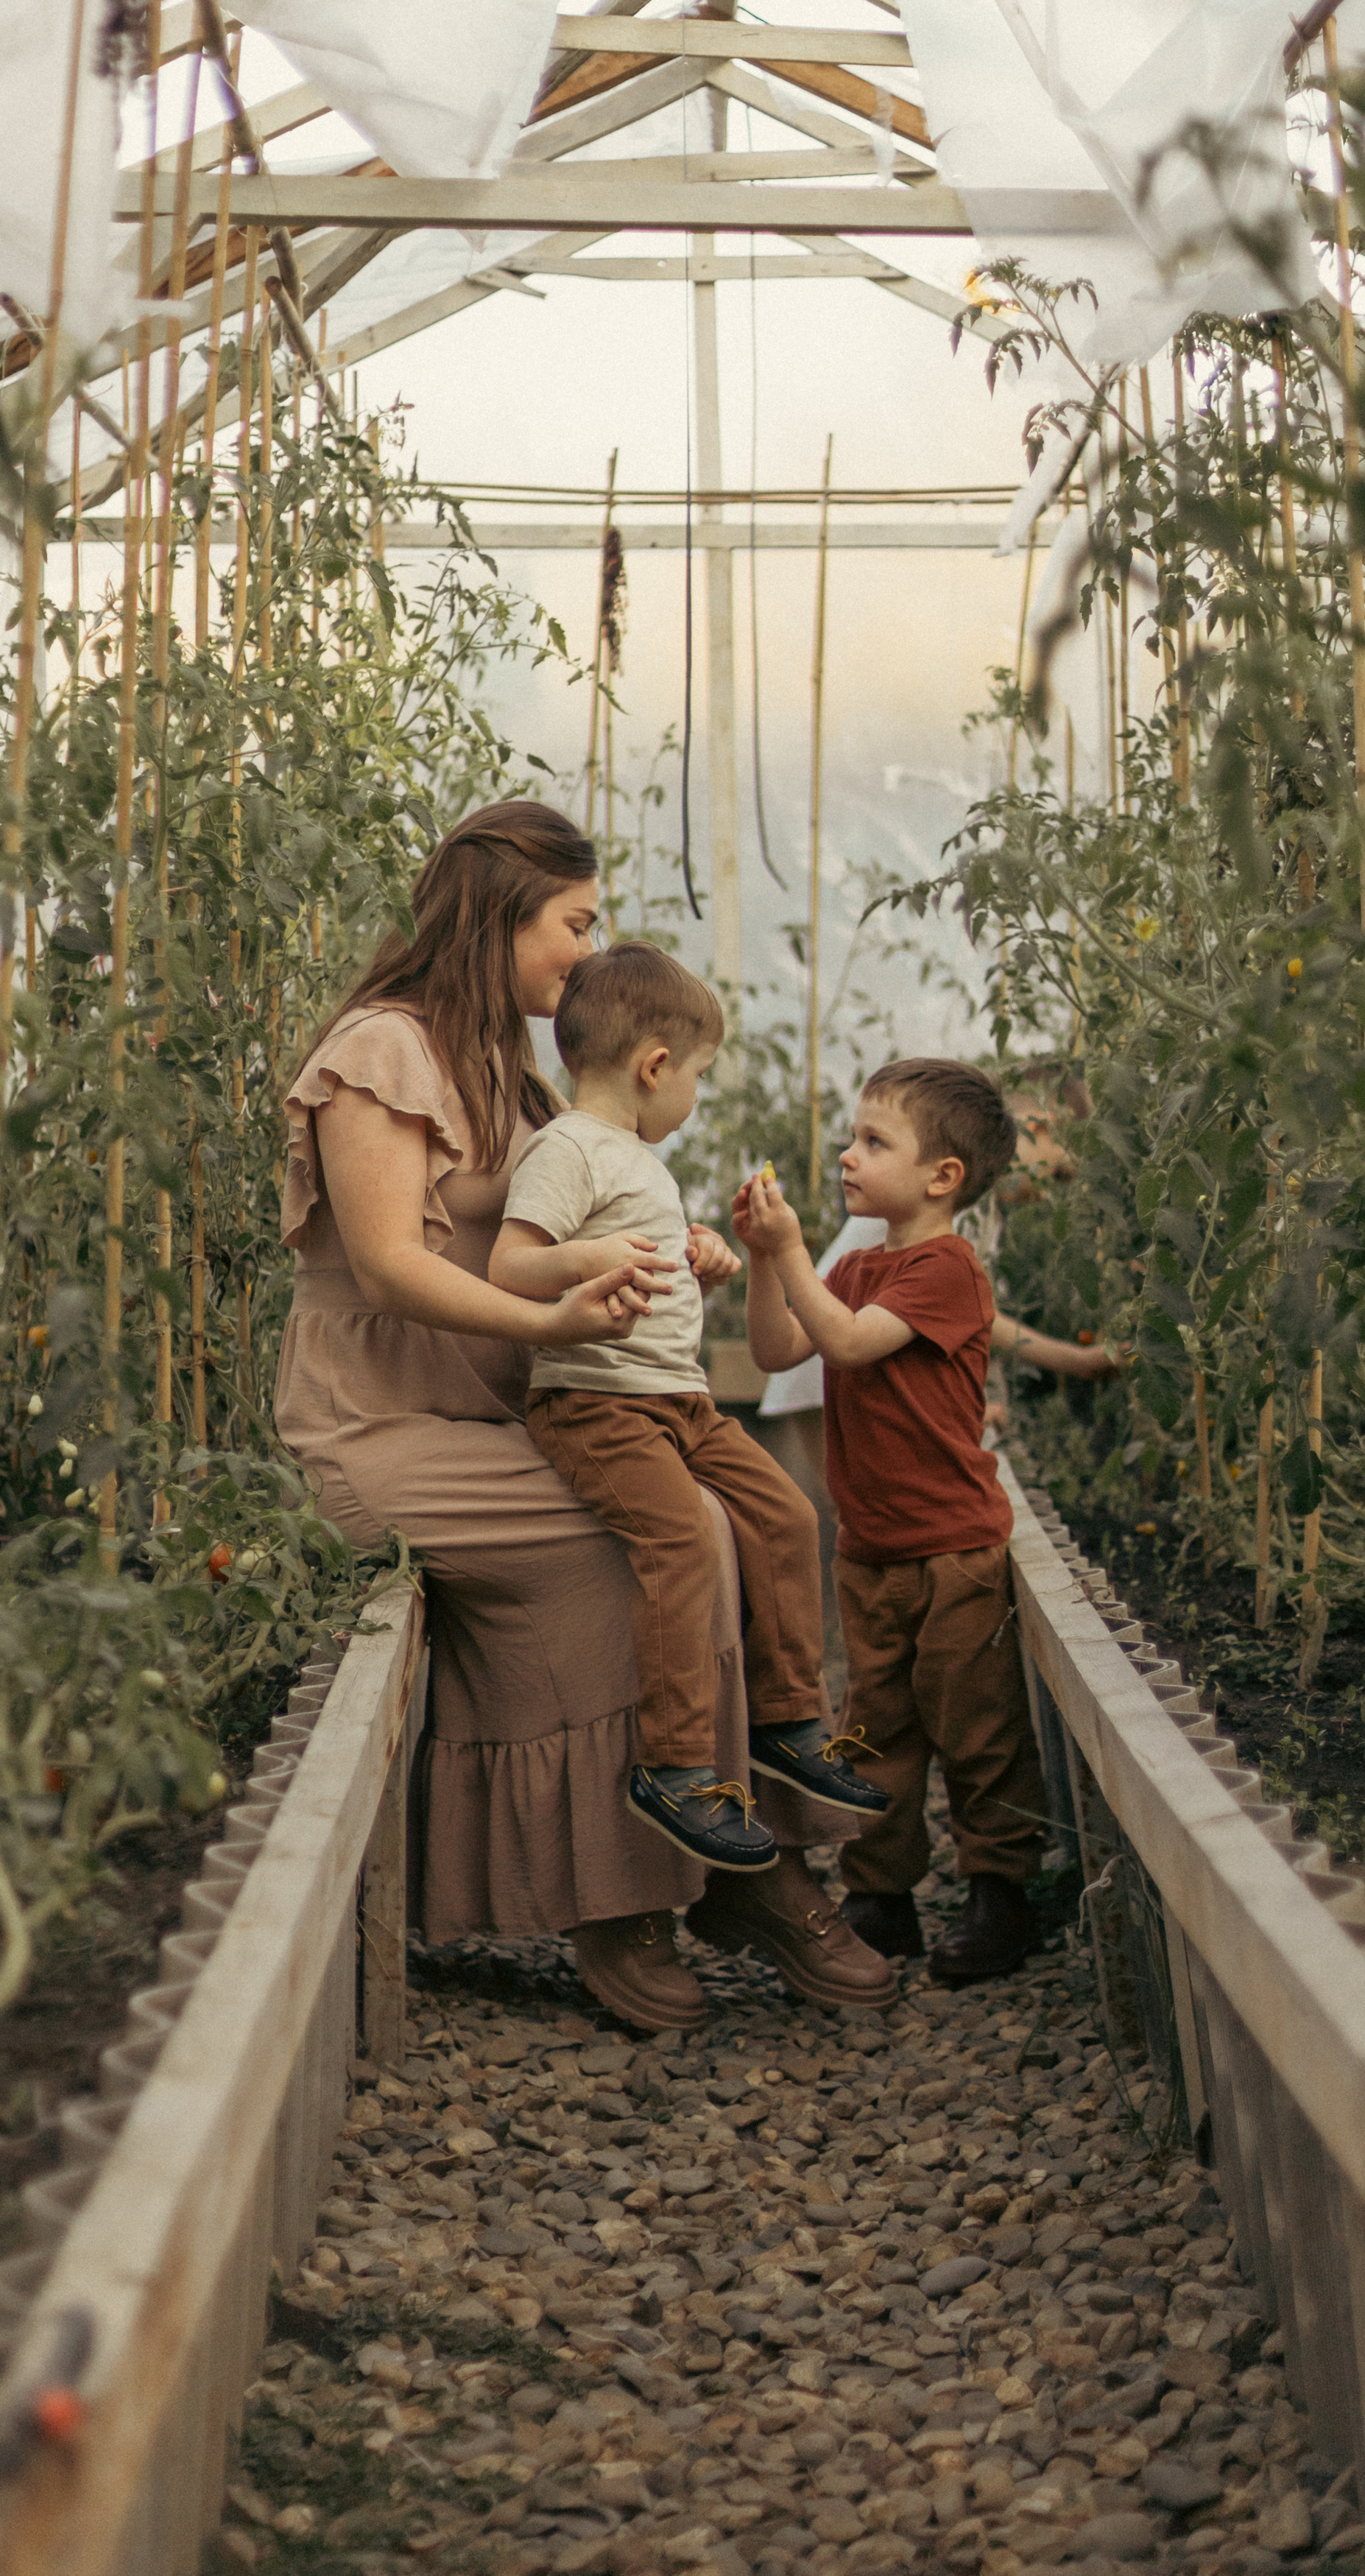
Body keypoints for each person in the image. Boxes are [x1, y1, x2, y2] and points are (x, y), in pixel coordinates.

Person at [273, 800, 878, 2035]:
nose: (586, 950)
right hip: (378, 1425)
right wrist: (555, 1327)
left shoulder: (518, 1073)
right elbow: (390, 1265)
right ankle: (646, 1895)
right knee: (673, 1540)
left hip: (501, 1418)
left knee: (709, 1517)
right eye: (573, 923)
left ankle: (728, 1852)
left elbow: (588, 1229)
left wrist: (682, 1256)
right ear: (498, 922)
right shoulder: (383, 1051)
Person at [490, 941, 893, 1912]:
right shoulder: (568, 1148)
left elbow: (645, 1252)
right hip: (598, 1405)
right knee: (682, 1544)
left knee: (788, 1517)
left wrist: (701, 1254)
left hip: (679, 1401)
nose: (698, 1098)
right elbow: (511, 1266)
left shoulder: (634, 1159)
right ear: (654, 1068)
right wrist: (596, 1257)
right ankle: (672, 1769)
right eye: (701, 1076)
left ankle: (787, 1718)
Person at [736, 1058, 1121, 1985]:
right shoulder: (859, 1260)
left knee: (977, 1729)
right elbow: (777, 1345)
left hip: (954, 1552)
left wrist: (791, 1254)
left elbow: (850, 1342)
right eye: (852, 1136)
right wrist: (761, 1260)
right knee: (875, 1729)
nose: (846, 1154)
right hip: (871, 1553)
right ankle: (880, 1894)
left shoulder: (947, 1268)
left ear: (943, 1177)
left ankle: (1000, 1889)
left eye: (874, 1142)